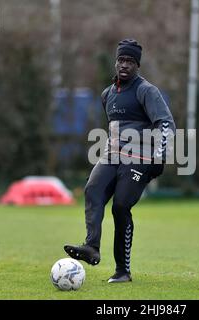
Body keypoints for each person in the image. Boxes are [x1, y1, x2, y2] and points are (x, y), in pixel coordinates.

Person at [64, 39, 176, 283]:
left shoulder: (146, 91)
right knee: (93, 189)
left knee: (121, 207)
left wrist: (159, 158)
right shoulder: (107, 94)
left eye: (130, 62)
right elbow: (113, 129)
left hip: (140, 159)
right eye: (121, 60)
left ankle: (122, 271)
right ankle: (91, 246)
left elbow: (166, 124)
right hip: (112, 156)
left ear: (137, 66)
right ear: (116, 63)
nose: (125, 65)